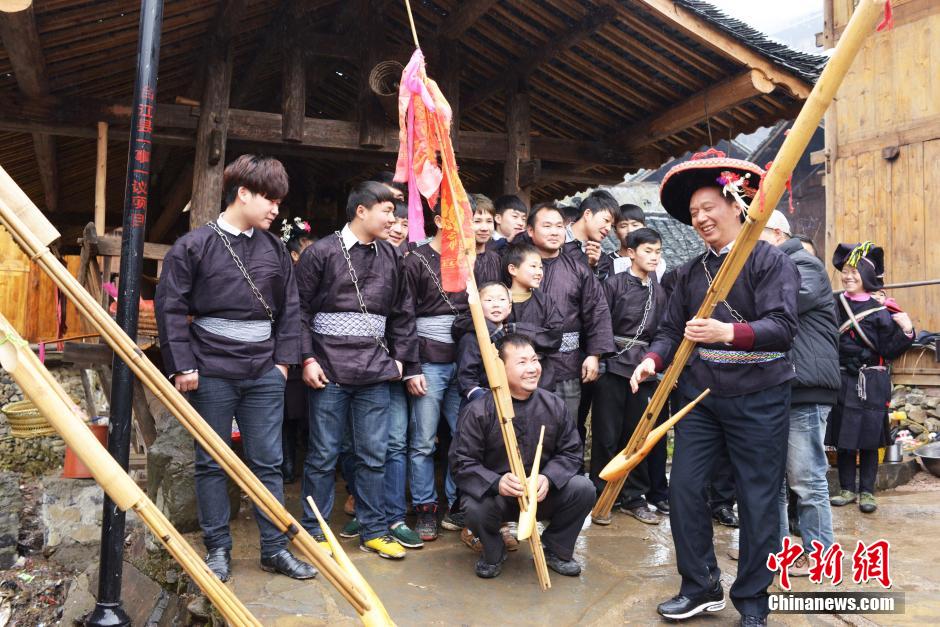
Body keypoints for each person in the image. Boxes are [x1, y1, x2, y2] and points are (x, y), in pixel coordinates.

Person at [631, 150, 799, 625]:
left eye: (708, 207)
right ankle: (700, 584)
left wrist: (727, 333)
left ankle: (753, 599)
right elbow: (669, 330)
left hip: (760, 394)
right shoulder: (687, 274)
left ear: (736, 203)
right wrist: (651, 359)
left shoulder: (771, 260)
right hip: (702, 396)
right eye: (693, 213)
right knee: (683, 487)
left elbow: (784, 328)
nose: (700, 218)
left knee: (757, 496)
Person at [155, 154, 316, 582]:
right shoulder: (194, 245)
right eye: (270, 200)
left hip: (264, 368)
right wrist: (183, 365)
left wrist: (284, 363)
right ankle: (218, 550)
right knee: (212, 461)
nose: (275, 210)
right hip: (209, 367)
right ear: (242, 193)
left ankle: (274, 549)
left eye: (279, 202)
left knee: (268, 461)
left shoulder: (275, 249)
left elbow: (291, 309)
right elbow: (170, 308)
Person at [296, 181, 420, 561]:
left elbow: (403, 312)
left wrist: (402, 359)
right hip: (327, 367)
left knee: (373, 453)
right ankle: (313, 531)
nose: (392, 219)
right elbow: (298, 311)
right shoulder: (321, 252)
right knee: (323, 453)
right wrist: (307, 358)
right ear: (361, 211)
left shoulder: (392, 256)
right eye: (385, 211)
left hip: (375, 369)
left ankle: (374, 530)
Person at [450, 334, 595, 579]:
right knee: (473, 505)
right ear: (500, 369)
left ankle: (556, 548)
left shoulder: (554, 404)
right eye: (521, 363)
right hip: (500, 499)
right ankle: (493, 551)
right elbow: (461, 462)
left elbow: (571, 452)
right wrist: (497, 483)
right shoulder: (478, 410)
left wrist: (548, 478)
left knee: (584, 488)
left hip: (542, 495)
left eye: (534, 360)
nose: (532, 369)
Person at [758, 210, 840, 573]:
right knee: (772, 481)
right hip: (778, 385)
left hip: (805, 386)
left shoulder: (804, 264)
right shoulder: (777, 265)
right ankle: (774, 553)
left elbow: (782, 303)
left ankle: (819, 554)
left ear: (776, 233)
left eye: (756, 237)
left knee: (806, 479)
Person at [403, 205, 474, 541]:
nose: (463, 224)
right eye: (456, 217)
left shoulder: (468, 258)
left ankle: (457, 503)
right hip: (428, 359)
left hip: (464, 361)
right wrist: (411, 366)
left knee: (465, 437)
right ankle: (425, 508)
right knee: (422, 442)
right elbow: (403, 317)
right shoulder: (415, 260)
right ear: (437, 221)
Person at [826, 242, 914, 514]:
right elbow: (826, 338)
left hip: (871, 381)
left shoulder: (882, 310)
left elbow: (889, 348)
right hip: (844, 378)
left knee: (868, 437)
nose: (848, 276)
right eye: (846, 271)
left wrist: (907, 330)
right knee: (844, 436)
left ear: (866, 275)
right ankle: (846, 489)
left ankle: (867, 491)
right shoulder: (834, 304)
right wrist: (844, 355)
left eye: (855, 271)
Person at [590, 228, 669, 526]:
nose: (653, 256)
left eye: (657, 251)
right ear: (631, 252)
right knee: (606, 435)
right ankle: (601, 495)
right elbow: (599, 322)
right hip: (613, 367)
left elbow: (663, 332)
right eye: (647, 250)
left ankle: (635, 497)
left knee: (637, 437)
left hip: (645, 371)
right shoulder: (612, 284)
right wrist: (601, 358)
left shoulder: (659, 291)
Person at [527, 204, 613, 445]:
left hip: (567, 362)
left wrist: (595, 354)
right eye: (547, 226)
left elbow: (597, 309)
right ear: (530, 231)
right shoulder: (515, 265)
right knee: (526, 431)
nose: (555, 232)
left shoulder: (578, 268)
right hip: (524, 364)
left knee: (566, 429)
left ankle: (566, 481)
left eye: (559, 226)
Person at [279, 217, 316, 484]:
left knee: (302, 417)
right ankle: (286, 467)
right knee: (283, 419)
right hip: (286, 357)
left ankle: (295, 464)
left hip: (309, 355)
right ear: (294, 255)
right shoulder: (282, 279)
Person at [564, 190, 617, 279]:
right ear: (587, 214)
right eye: (606, 220)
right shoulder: (555, 238)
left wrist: (593, 267)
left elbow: (595, 291)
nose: (608, 228)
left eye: (611, 225)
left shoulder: (601, 259)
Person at [608, 204, 668, 280]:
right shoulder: (607, 263)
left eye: (635, 225)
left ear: (644, 228)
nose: (630, 230)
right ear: (615, 232)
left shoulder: (657, 263)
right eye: (623, 226)